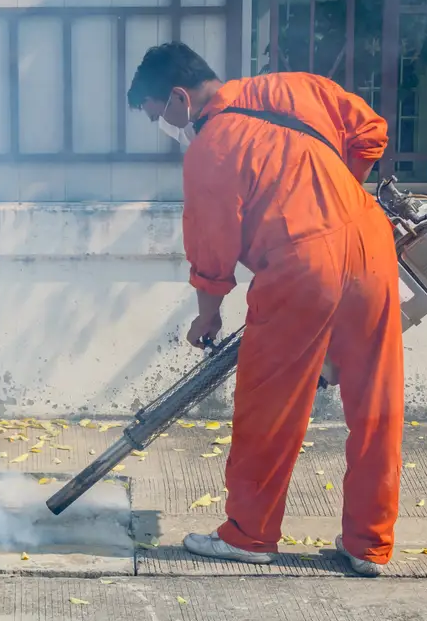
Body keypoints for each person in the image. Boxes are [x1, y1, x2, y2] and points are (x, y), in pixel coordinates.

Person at [126, 42, 404, 577]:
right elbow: (371, 131)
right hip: (371, 241)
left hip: (301, 265)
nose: (167, 127)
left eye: (161, 115)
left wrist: (207, 318)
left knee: (269, 407)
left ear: (181, 97)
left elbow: (212, 256)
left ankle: (250, 534)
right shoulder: (296, 86)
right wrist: (337, 195)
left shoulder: (211, 149)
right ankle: (370, 545)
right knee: (377, 402)